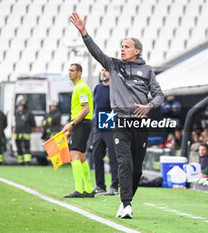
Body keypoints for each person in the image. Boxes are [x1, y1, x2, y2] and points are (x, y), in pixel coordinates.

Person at [70, 12, 164, 219]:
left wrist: (149, 106)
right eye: (121, 46)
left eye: (127, 46)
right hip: (120, 121)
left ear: (137, 51)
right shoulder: (114, 65)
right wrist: (84, 32)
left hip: (140, 123)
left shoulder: (147, 71)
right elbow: (96, 52)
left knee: (137, 169)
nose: (122, 49)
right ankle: (127, 204)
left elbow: (159, 95)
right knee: (124, 162)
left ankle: (125, 202)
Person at [62, 63, 94, 198]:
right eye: (69, 70)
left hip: (81, 124)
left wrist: (72, 124)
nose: (69, 72)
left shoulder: (80, 87)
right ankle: (88, 189)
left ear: (79, 73)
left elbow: (85, 109)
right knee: (80, 156)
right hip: (82, 124)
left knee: (74, 154)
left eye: (72, 70)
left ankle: (79, 190)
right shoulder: (79, 87)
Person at [92, 68, 119, 195]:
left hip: (112, 128)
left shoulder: (116, 89)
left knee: (113, 158)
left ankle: (114, 186)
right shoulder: (97, 88)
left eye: (106, 70)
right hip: (98, 128)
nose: (103, 72)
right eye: (102, 70)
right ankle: (100, 185)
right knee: (96, 156)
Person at [14, 100, 36, 165]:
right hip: (17, 134)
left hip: (25, 134)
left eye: (21, 106)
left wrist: (29, 130)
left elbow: (33, 124)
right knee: (19, 148)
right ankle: (21, 162)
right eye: (19, 106)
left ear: (24, 106)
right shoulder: (17, 112)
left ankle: (27, 162)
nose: (19, 107)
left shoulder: (29, 113)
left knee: (26, 148)